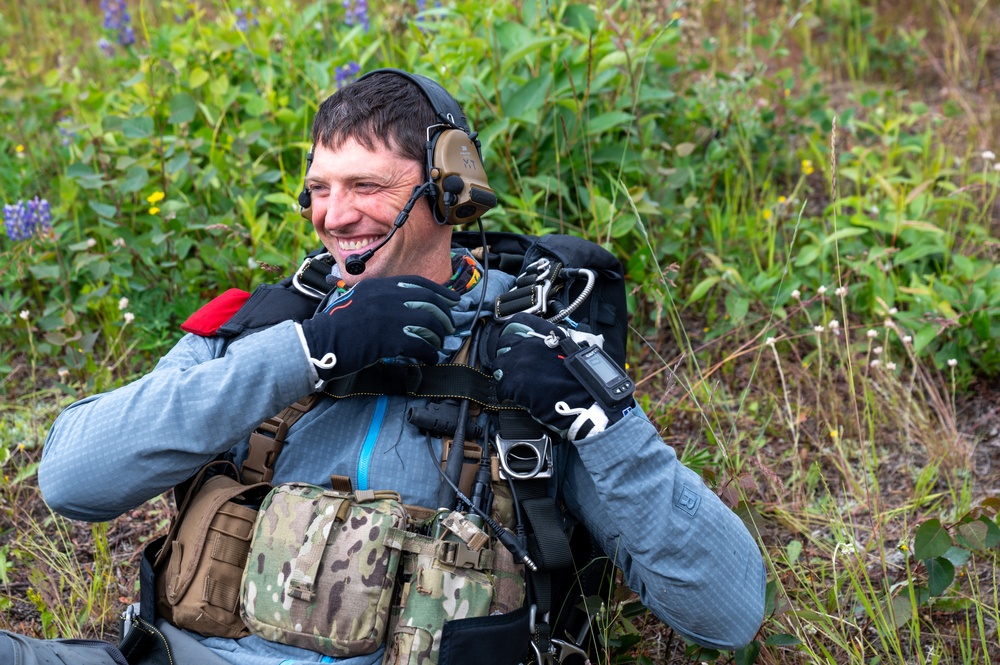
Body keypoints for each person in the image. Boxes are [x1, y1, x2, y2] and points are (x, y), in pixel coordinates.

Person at [5, 69, 766, 665]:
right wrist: (305, 353)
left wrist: (608, 425)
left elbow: (729, 614)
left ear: (449, 191)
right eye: (320, 190)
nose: (336, 215)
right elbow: (72, 480)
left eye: (368, 186)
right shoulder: (274, 325)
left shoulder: (531, 355)